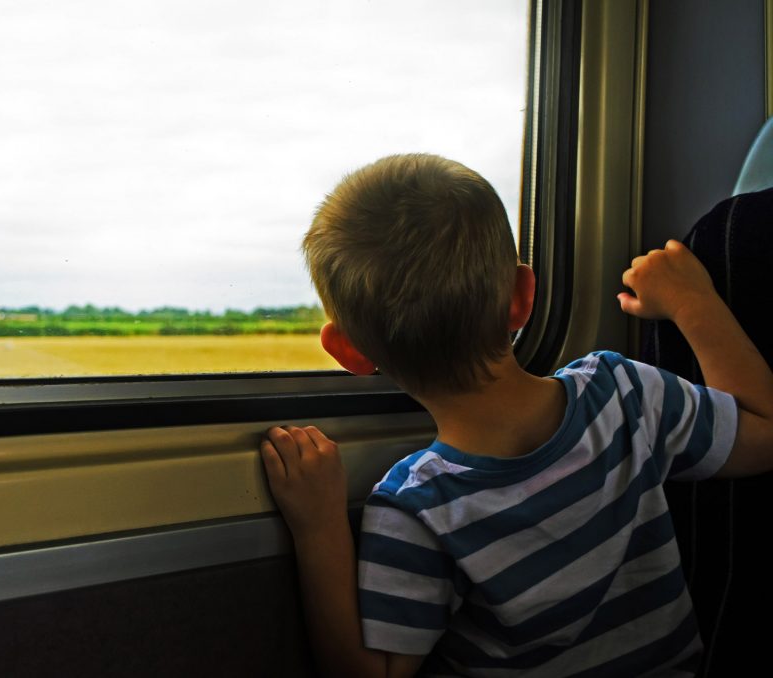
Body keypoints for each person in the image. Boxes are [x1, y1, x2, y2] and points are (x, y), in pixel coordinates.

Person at [259, 154, 773, 677]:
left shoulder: (420, 507)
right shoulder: (625, 394)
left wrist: (318, 525)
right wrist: (693, 302)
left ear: (348, 352)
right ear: (522, 298)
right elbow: (764, 433)